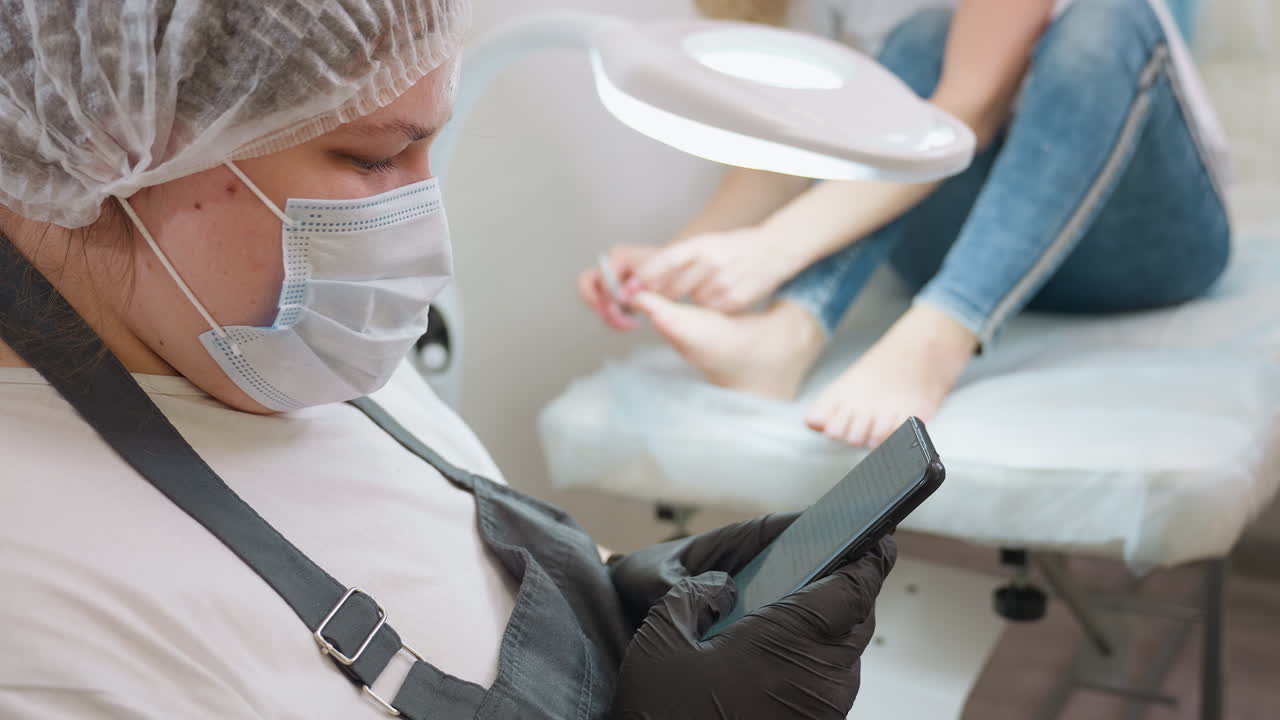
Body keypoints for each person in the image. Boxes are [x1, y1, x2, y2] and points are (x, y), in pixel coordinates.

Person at [0, 2, 894, 718]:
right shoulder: (40, 629)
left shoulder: (277, 344)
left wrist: (629, 590)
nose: (424, 229)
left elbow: (424, 541)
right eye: (375, 155)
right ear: (113, 136)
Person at [579, 0, 1232, 448]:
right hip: (955, 231)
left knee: (1104, 17)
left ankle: (936, 337)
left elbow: (962, 116)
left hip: (1146, 240)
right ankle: (787, 336)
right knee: (912, 45)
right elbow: (798, 145)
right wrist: (682, 255)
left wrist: (770, 248)